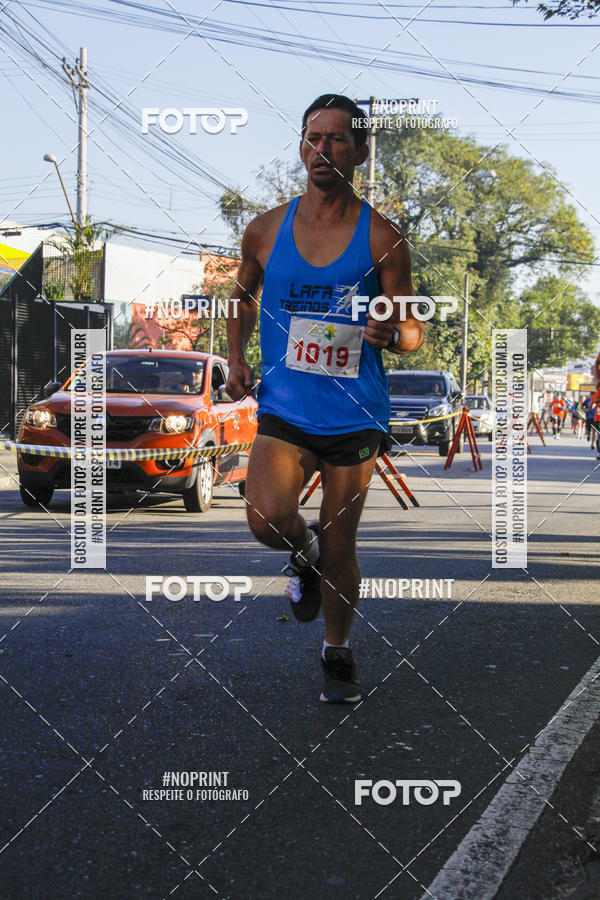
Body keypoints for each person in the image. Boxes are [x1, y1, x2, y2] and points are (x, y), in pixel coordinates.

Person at [226, 94, 423, 703]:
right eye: (313, 137)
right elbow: (241, 296)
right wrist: (235, 358)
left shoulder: (382, 238)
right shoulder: (264, 229)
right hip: (286, 406)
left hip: (353, 412)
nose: (323, 150)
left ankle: (336, 650)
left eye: (337, 139)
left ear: (361, 151)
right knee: (264, 518)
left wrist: (393, 333)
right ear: (301, 146)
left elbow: (413, 329)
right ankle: (301, 551)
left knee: (344, 541)